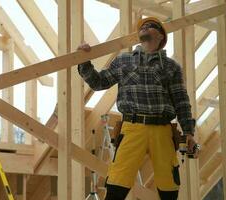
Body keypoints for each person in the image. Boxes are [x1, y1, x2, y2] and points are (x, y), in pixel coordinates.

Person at [77, 17, 198, 200]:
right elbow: (98, 82)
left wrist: (188, 132)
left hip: (162, 130)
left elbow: (181, 101)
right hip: (132, 129)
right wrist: (84, 60)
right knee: (117, 181)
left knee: (169, 184)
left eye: (152, 27)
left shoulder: (171, 67)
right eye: (143, 27)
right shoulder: (124, 61)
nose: (146, 28)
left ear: (161, 37)